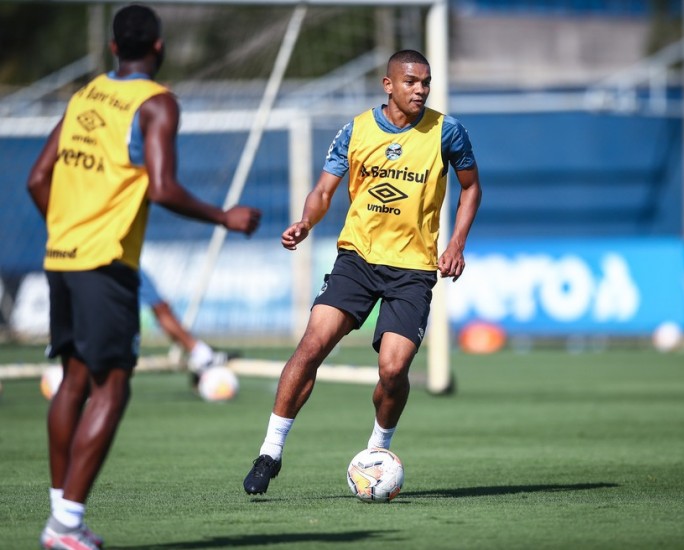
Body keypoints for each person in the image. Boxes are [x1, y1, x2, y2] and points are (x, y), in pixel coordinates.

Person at [26, 5, 261, 549]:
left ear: (113, 48)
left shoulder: (84, 96)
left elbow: (38, 178)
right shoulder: (156, 104)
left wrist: (67, 227)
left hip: (62, 257)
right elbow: (162, 188)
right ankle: (64, 526)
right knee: (113, 387)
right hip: (105, 262)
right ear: (158, 48)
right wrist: (225, 216)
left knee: (73, 380)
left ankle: (63, 515)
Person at [242, 49, 482, 496]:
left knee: (393, 370)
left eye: (426, 82)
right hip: (358, 259)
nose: (421, 89)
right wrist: (305, 222)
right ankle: (270, 451)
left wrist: (456, 243)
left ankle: (377, 450)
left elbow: (471, 188)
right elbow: (323, 189)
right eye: (411, 81)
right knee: (311, 345)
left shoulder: (447, 131)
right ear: (388, 84)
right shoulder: (355, 130)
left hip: (412, 268)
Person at [139, 269, 231, 389]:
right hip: (119, 263)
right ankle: (202, 354)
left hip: (118, 263)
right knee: (160, 308)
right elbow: (161, 310)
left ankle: (201, 352)